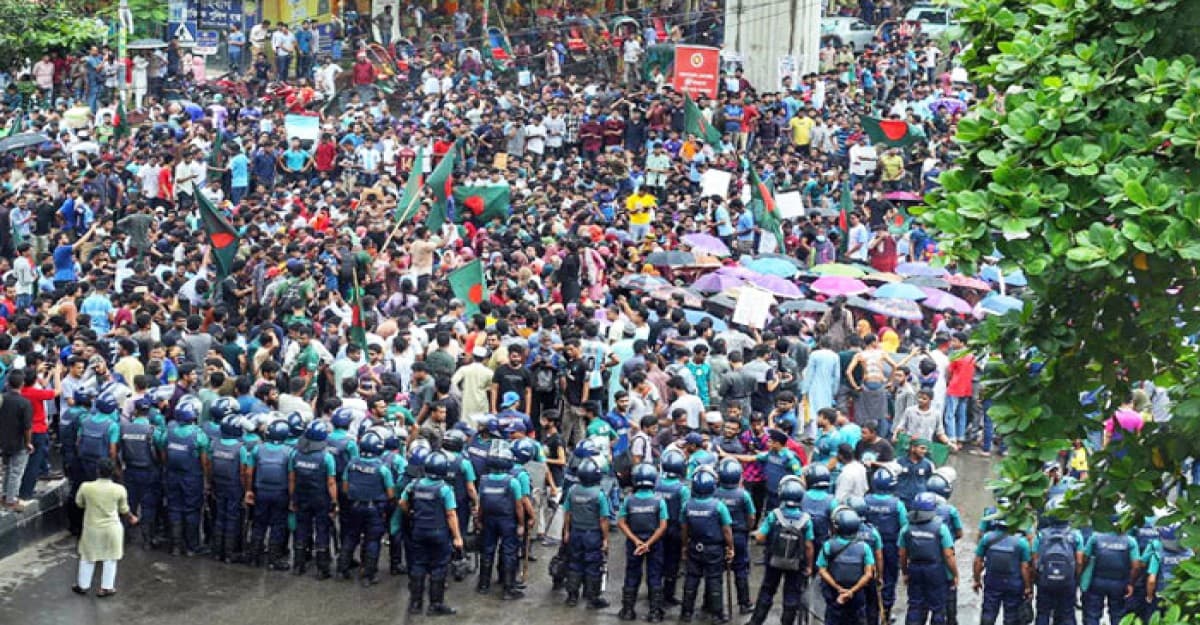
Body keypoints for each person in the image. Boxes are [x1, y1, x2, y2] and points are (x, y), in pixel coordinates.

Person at [401, 449, 464, 615]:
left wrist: (411, 513)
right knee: (438, 566)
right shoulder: (445, 489)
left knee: (418, 565)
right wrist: (457, 537)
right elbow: (451, 514)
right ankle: (435, 605)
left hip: (419, 531)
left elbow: (402, 503)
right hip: (438, 533)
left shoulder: (414, 485)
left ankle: (415, 604)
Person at [747, 476, 814, 625]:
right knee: (792, 593)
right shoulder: (805, 519)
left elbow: (759, 537)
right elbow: (809, 545)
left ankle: (756, 621)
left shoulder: (774, 515)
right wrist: (809, 566)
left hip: (773, 561)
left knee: (767, 590)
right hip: (796, 563)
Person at [72, 458, 136, 597]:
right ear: (113, 472)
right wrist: (131, 517)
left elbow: (79, 503)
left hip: (92, 528)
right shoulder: (119, 489)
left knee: (88, 556)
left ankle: (83, 585)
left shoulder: (86, 487)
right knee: (110, 558)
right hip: (112, 528)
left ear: (97, 471)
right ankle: (106, 587)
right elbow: (124, 509)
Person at [339, 430, 395, 586]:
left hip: (354, 507)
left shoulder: (352, 464)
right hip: (374, 510)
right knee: (372, 540)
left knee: (351, 536)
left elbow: (345, 487)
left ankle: (342, 568)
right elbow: (391, 493)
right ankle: (368, 575)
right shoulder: (382, 469)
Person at [678, 466, 734, 624]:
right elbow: (727, 530)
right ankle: (717, 614)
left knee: (691, 579)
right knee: (714, 580)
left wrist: (684, 546)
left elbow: (684, 528)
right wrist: (730, 548)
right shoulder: (718, 506)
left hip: (694, 546)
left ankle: (686, 612)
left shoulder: (687, 506)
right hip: (714, 549)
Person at [617, 463, 669, 621]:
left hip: (634, 544)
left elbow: (621, 522)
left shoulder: (628, 500)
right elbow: (663, 525)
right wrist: (649, 543)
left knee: (632, 574)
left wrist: (636, 541)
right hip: (655, 544)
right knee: (654, 576)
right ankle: (654, 613)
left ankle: (627, 610)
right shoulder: (659, 501)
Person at [477, 441, 528, 600]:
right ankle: (508, 588)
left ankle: (483, 585)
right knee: (509, 552)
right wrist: (521, 524)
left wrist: (478, 520)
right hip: (508, 521)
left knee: (487, 551)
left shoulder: (484, 480)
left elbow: (480, 503)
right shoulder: (512, 481)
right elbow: (519, 506)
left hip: (488, 520)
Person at [163, 396, 211, 556]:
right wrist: (207, 480)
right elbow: (205, 462)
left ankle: (176, 545)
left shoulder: (169, 430)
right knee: (191, 510)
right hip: (192, 478)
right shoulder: (199, 435)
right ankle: (192, 546)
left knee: (174, 508)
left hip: (172, 475)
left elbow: (163, 451)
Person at [900, 492, 957, 625]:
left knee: (915, 605)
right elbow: (949, 555)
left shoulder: (907, 529)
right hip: (935, 570)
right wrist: (954, 574)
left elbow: (902, 554)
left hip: (914, 568)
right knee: (938, 607)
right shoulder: (941, 528)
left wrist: (905, 572)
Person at [562, 457, 612, 609]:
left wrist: (566, 532)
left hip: (576, 532)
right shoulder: (600, 494)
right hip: (592, 535)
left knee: (574, 564)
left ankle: (572, 596)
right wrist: (605, 539)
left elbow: (567, 513)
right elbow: (604, 519)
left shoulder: (572, 490)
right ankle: (592, 599)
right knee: (592, 566)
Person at [246, 419, 294, 571]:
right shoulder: (289, 452)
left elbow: (248, 472)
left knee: (258, 524)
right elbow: (292, 477)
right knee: (277, 526)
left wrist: (249, 490)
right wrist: (293, 498)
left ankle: (254, 557)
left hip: (261, 492)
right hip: (280, 494)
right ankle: (274, 560)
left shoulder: (258, 449)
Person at [118, 396, 164, 550]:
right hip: (149, 472)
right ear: (149, 411)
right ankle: (147, 540)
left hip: (130, 471)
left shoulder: (124, 428)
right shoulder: (153, 431)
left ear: (136, 411)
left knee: (129, 503)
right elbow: (161, 453)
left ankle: (124, 537)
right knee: (148, 506)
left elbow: (118, 449)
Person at [817, 507, 875, 625]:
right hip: (857, 595)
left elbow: (822, 570)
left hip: (834, 594)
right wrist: (852, 591)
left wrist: (838, 588)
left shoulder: (829, 545)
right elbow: (869, 574)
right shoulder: (864, 547)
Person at [714, 458, 756, 614]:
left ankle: (712, 603)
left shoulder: (715, 493)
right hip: (739, 535)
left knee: (715, 570)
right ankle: (744, 603)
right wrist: (747, 528)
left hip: (718, 536)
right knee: (740, 569)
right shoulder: (743, 495)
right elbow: (751, 517)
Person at [1032, 498, 1083, 625]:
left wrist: (1037, 579)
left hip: (1045, 582)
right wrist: (1075, 578)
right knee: (1067, 614)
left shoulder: (1040, 535)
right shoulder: (1076, 535)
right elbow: (1080, 561)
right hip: (1067, 582)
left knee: (1043, 613)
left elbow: (1034, 560)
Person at [974, 518, 1034, 625]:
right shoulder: (1021, 542)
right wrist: (1028, 587)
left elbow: (978, 561)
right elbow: (1025, 567)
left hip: (992, 583)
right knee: (1011, 617)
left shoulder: (986, 538)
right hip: (1014, 585)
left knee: (988, 614)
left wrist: (977, 580)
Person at [209, 414, 250, 563]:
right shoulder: (240, 449)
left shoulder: (214, 444)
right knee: (232, 517)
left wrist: (209, 483)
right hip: (234, 487)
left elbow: (209, 466)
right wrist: (246, 490)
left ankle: (217, 551)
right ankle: (229, 553)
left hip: (218, 485)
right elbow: (243, 472)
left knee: (219, 516)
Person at [1079, 524, 1139, 625]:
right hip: (1119, 583)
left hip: (1096, 581)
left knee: (1092, 614)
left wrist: (1081, 576)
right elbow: (1136, 566)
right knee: (1118, 615)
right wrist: (1130, 583)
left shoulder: (1095, 537)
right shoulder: (1130, 541)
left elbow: (1085, 558)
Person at [655, 449, 690, 609]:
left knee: (656, 562)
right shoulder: (682, 489)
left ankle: (654, 594)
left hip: (656, 528)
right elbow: (685, 514)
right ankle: (668, 595)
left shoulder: (656, 483)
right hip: (674, 530)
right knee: (672, 563)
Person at [0, 370, 33, 511]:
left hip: (3, 440)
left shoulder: (3, 399)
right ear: (22, 384)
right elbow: (27, 427)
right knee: (16, 471)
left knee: (7, 469)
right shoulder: (24, 403)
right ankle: (11, 500)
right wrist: (28, 443)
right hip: (18, 441)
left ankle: (5, 495)